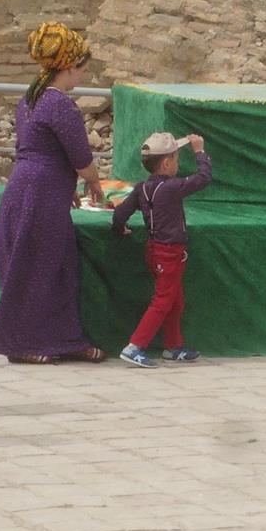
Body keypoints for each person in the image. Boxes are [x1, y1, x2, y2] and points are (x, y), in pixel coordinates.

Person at [0, 22, 109, 364]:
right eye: (80, 69)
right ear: (68, 67)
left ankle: (62, 339)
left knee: (49, 265)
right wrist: (95, 184)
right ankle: (22, 343)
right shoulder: (60, 105)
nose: (81, 76)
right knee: (43, 267)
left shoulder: (30, 99)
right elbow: (81, 158)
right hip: (41, 192)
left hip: (28, 186)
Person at [112, 132, 213, 367]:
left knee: (175, 301)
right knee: (163, 301)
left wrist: (120, 229)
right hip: (168, 253)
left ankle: (173, 346)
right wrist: (199, 151)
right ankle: (135, 346)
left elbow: (120, 213)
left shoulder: (141, 188)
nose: (178, 163)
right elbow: (204, 178)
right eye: (177, 159)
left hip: (156, 250)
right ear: (167, 163)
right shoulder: (172, 188)